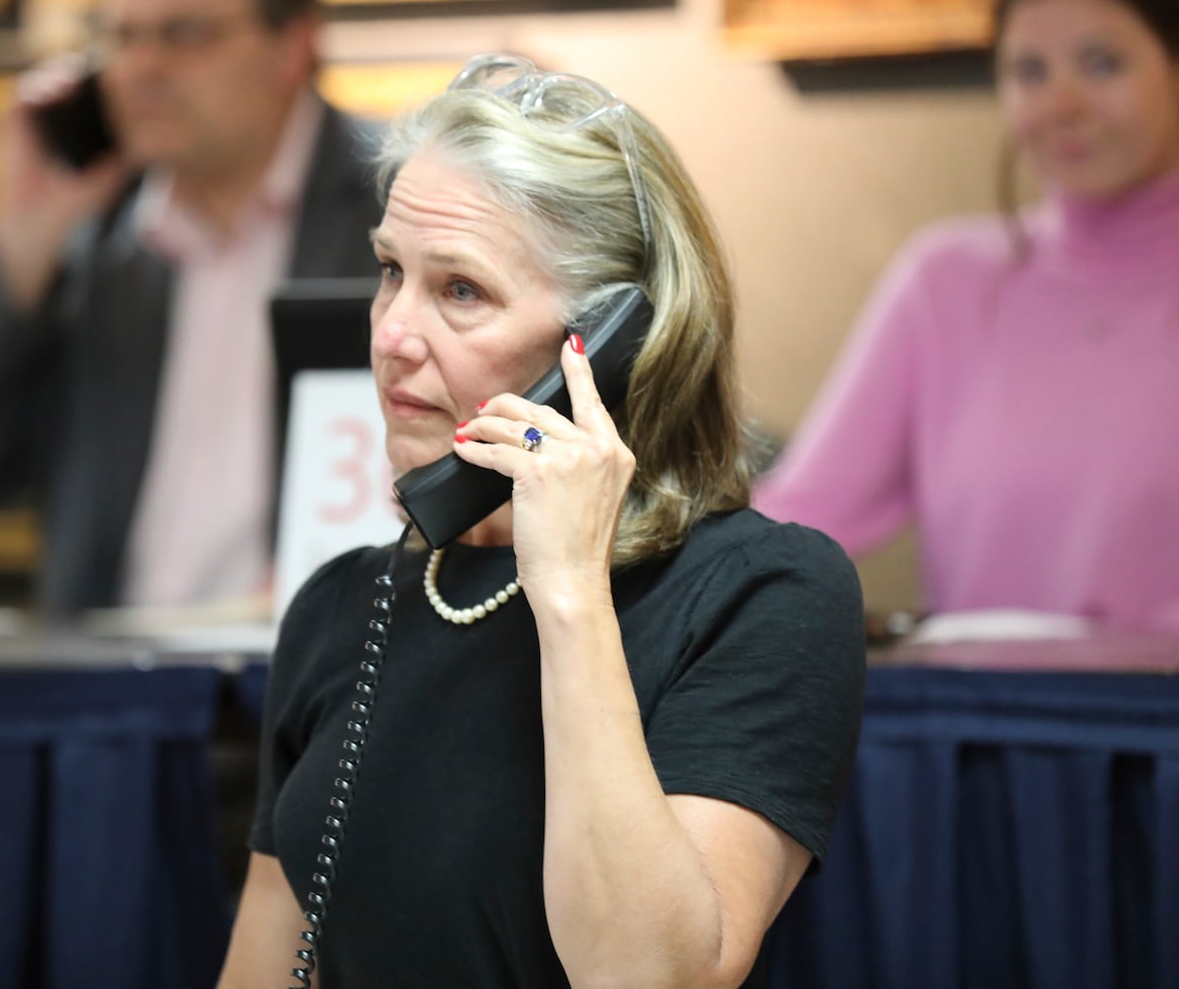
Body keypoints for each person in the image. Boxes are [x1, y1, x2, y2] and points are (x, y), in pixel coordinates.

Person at [217, 55, 865, 987]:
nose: (393, 333)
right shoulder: (341, 605)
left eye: (461, 291)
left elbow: (652, 975)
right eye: (391, 271)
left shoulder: (765, 594)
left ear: (604, 342)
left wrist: (567, 592)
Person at [0, 0, 383, 612]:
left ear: (293, 46)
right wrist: (27, 235)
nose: (141, 68)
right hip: (109, 694)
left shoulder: (398, 206)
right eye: (121, 36)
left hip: (312, 686)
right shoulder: (98, 239)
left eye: (183, 34)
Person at [753, 0, 1179, 633]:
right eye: (1030, 72)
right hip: (977, 730)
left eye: (1102, 64)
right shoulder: (945, 283)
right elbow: (800, 518)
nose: (1061, 104)